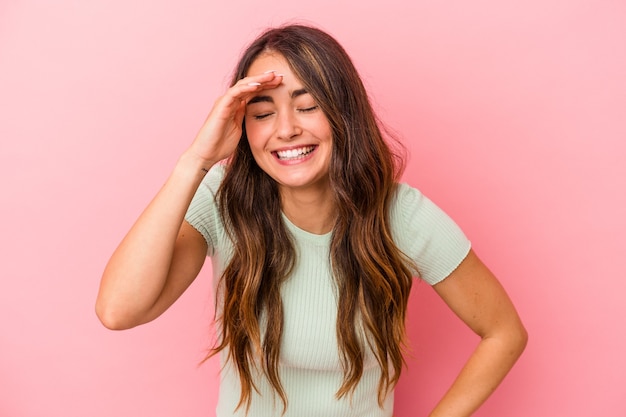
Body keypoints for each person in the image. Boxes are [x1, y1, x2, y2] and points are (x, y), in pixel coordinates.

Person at [96, 24, 527, 417]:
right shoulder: (223, 199)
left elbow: (504, 333)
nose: (285, 129)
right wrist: (197, 160)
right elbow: (118, 310)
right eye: (262, 114)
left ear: (344, 115)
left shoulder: (400, 215)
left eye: (308, 106)